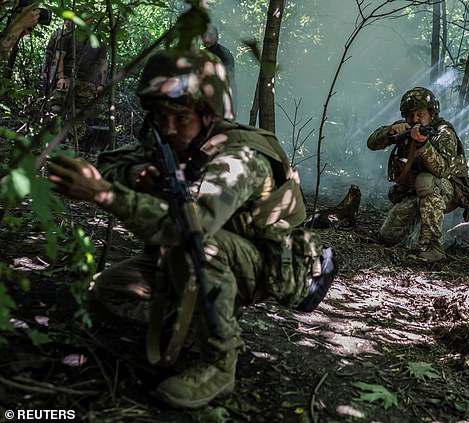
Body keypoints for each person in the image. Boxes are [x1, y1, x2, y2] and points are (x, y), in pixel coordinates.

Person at [47, 49, 336, 409]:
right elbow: (113, 161)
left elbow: (191, 227)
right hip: (196, 259)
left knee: (199, 240)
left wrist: (107, 195)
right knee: (107, 293)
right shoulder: (175, 134)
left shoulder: (240, 158)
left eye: (180, 118)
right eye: (160, 116)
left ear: (208, 112)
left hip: (262, 266)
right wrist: (136, 176)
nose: (168, 128)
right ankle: (196, 324)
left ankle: (219, 363)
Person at [367, 87, 469, 262]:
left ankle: (433, 247)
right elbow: (372, 143)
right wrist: (390, 132)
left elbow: (441, 171)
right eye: (411, 116)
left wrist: (423, 144)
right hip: (416, 192)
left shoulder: (444, 133)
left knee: (425, 180)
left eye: (420, 114)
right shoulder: (406, 128)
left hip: (447, 191)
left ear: (431, 114)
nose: (415, 120)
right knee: (387, 237)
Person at [48, 11, 107, 146]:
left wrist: (102, 84)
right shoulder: (68, 35)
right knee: (56, 110)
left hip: (87, 84)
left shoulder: (99, 39)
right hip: (67, 79)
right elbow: (59, 57)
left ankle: (70, 146)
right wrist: (61, 77)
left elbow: (103, 63)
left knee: (79, 118)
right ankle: (53, 144)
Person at [203, 24, 235, 109]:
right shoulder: (204, 53)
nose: (206, 37)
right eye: (204, 34)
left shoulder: (224, 53)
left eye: (210, 34)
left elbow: (229, 77)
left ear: (216, 36)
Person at [40, 19, 72, 95]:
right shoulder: (57, 34)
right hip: (54, 67)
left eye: (70, 21)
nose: (68, 23)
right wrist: (44, 70)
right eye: (66, 20)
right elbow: (48, 52)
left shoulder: (78, 37)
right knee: (51, 89)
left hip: (69, 69)